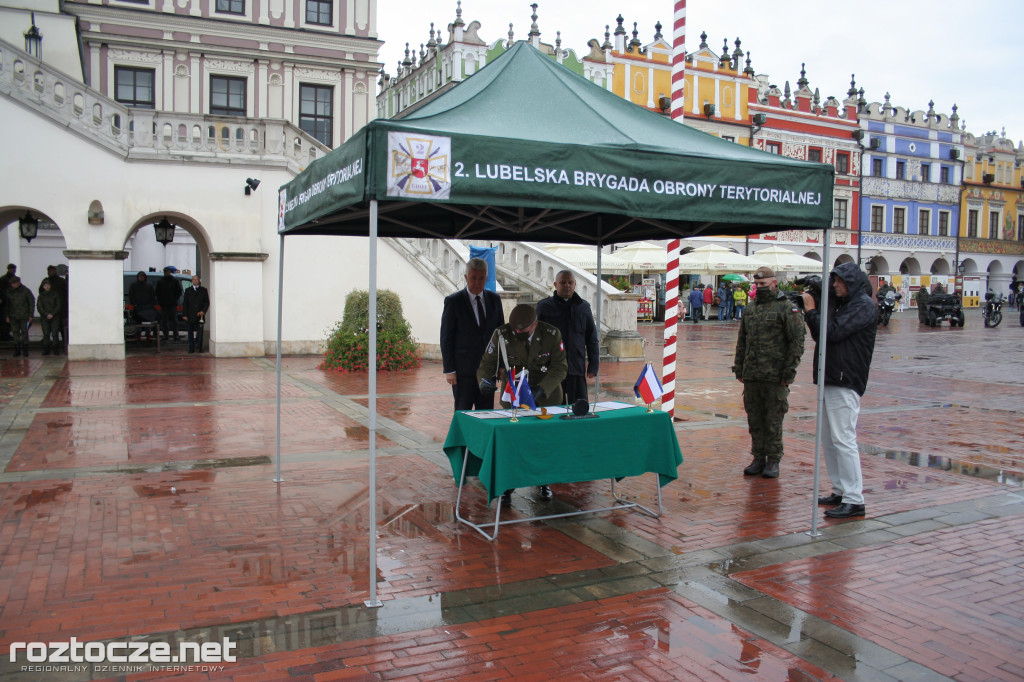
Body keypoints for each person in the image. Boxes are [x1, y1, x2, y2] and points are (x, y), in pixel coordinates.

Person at [802, 262, 878, 519]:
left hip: (846, 379)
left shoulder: (863, 306)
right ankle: (841, 490)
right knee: (830, 439)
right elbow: (821, 334)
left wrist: (812, 311)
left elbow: (831, 333)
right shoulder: (845, 305)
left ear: (852, 282)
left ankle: (854, 498)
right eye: (832, 281)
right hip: (831, 376)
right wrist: (817, 309)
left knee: (843, 440)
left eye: (838, 281)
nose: (834, 285)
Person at [477, 303, 568, 502]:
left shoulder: (551, 334)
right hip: (514, 396)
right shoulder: (502, 333)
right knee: (512, 443)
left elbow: (560, 367)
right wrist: (484, 381)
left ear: (534, 325)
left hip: (546, 398)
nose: (517, 332)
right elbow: (487, 362)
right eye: (514, 328)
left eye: (522, 329)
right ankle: (508, 484)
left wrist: (543, 389)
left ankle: (544, 481)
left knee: (542, 443)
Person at [732, 266, 805, 479]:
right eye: (756, 284)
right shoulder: (751, 309)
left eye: (763, 284)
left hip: (775, 376)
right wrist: (739, 368)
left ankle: (773, 459)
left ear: (774, 283)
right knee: (754, 419)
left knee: (773, 421)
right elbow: (742, 341)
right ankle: (758, 457)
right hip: (753, 375)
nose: (759, 287)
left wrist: (788, 373)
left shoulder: (787, 309)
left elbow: (797, 343)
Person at [440, 258, 504, 411]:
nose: (477, 282)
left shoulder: (494, 300)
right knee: (463, 413)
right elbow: (446, 338)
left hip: (488, 371)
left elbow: (501, 335)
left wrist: (501, 365)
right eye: (473, 278)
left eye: (481, 278)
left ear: (486, 278)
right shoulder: (453, 301)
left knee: (486, 413)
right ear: (466, 277)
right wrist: (450, 370)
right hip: (463, 372)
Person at [535, 270, 599, 405]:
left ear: (575, 284)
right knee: (553, 408)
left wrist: (593, 365)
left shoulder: (584, 307)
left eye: (570, 282)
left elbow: (591, 338)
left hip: (576, 368)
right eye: (563, 283)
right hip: (551, 370)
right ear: (555, 284)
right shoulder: (544, 307)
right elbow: (535, 338)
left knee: (579, 409)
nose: (567, 285)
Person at [39, 265, 68, 349]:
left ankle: (63, 343)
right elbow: (40, 295)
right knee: (47, 331)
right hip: (47, 310)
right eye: (49, 271)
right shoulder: (45, 281)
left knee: (61, 328)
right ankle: (47, 345)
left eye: (52, 270)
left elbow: (65, 293)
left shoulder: (61, 281)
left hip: (60, 309)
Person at [6, 276, 35, 357]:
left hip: (24, 316)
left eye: (14, 283)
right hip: (13, 316)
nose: (12, 285)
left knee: (24, 333)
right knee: (15, 333)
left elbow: (31, 302)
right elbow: (7, 304)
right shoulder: (9, 291)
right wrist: (7, 315)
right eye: (12, 284)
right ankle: (17, 350)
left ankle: (25, 350)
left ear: (18, 283)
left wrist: (30, 315)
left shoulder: (26, 291)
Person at [182, 275, 209, 353]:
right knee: (190, 332)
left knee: (200, 332)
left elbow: (206, 302)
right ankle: (191, 347)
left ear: (199, 281)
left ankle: (199, 347)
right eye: (193, 279)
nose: (195, 280)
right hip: (190, 314)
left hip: (200, 315)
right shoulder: (188, 290)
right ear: (191, 281)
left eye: (196, 279)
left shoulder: (203, 290)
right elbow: (185, 303)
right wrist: (185, 314)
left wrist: (203, 311)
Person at [155, 267, 184, 341]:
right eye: (165, 272)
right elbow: (157, 293)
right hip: (164, 304)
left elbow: (179, 291)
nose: (166, 273)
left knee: (175, 320)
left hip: (173, 304)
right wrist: (161, 301)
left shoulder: (174, 281)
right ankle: (165, 335)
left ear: (169, 272)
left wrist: (174, 299)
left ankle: (176, 335)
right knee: (164, 321)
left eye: (167, 271)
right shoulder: (160, 281)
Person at [128, 271, 158, 340]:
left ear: (145, 277)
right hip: (137, 308)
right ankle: (138, 337)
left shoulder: (149, 285)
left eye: (142, 276)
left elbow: (153, 296)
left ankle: (148, 336)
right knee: (138, 323)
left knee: (147, 323)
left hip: (147, 308)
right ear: (137, 277)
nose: (141, 278)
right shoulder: (133, 285)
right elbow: (131, 296)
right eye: (140, 276)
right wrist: (134, 304)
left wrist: (151, 305)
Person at [36, 279, 62, 356]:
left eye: (48, 285)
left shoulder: (55, 294)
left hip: (55, 316)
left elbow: (58, 305)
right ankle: (46, 349)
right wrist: (46, 314)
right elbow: (39, 307)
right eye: (45, 285)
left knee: (55, 333)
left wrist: (52, 314)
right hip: (44, 317)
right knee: (46, 333)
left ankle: (56, 349)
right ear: (43, 286)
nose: (47, 287)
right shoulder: (41, 296)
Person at [0, 263, 16, 341]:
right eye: (12, 269)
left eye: (14, 269)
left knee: (11, 320)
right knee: (4, 319)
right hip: (5, 302)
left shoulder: (15, 279)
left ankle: (6, 334)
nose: (13, 271)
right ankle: (4, 334)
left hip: (13, 302)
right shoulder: (3, 279)